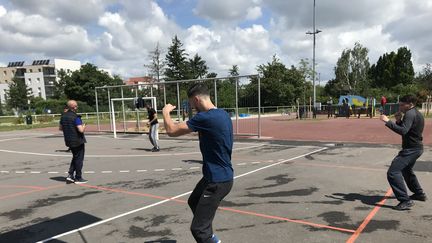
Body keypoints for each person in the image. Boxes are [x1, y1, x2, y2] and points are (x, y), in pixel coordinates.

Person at [162, 83, 233, 243]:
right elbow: (202, 129)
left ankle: (208, 237)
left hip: (217, 181)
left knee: (198, 229)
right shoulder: (222, 114)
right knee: (193, 200)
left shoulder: (206, 118)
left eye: (192, 105)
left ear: (196, 99)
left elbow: (171, 131)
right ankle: (210, 237)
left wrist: (165, 113)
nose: (193, 108)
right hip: (215, 176)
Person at [380, 95, 427, 210]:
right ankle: (419, 194)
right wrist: (398, 121)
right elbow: (408, 130)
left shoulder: (410, 114)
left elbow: (403, 131)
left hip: (411, 149)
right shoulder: (414, 112)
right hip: (416, 148)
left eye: (402, 105)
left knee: (393, 172)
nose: (400, 107)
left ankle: (405, 200)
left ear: (410, 104)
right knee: (406, 170)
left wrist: (388, 122)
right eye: (399, 104)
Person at [59, 100, 88, 184]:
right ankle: (78, 177)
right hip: (77, 141)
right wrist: (84, 125)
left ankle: (70, 175)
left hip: (68, 140)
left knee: (75, 157)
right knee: (79, 159)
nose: (77, 107)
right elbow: (81, 130)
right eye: (76, 106)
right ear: (74, 107)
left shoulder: (63, 116)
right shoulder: (76, 117)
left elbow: (61, 128)